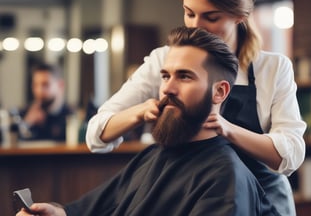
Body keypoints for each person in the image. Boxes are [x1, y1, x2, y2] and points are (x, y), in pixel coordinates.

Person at [16, 26, 279, 216]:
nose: (167, 89)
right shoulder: (154, 154)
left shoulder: (225, 180)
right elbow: (90, 209)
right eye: (165, 76)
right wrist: (57, 213)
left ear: (219, 91)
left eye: (184, 77)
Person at [86, 0, 306, 215]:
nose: (196, 26)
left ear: (239, 16)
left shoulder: (272, 67)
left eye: (211, 17)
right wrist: (140, 112)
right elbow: (96, 133)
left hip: (262, 199)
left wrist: (228, 129)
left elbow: (292, 154)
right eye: (189, 14)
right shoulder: (167, 60)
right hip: (193, 192)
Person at [15, 61, 72, 141]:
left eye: (45, 85)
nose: (39, 90)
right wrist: (27, 123)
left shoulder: (70, 117)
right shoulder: (24, 114)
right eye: (35, 85)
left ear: (60, 85)